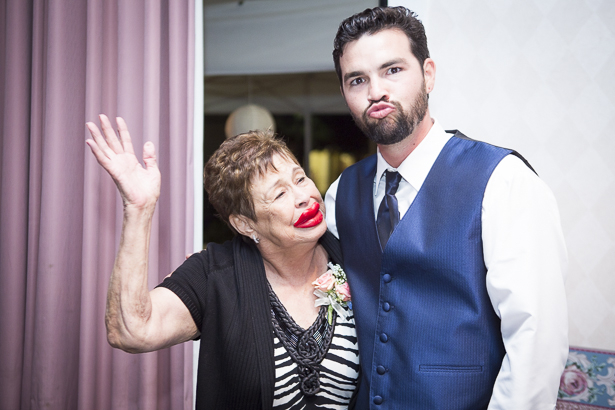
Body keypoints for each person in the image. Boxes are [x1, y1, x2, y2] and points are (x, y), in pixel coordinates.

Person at [324, 6, 568, 410]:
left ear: (428, 74)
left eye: (393, 70)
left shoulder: (502, 180)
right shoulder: (341, 192)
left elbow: (536, 341)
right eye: (357, 80)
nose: (376, 92)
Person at [85, 115, 359, 409]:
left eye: (300, 178)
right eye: (279, 193)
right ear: (245, 224)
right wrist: (139, 209)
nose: (304, 196)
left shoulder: (357, 257)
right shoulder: (215, 275)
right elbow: (131, 331)